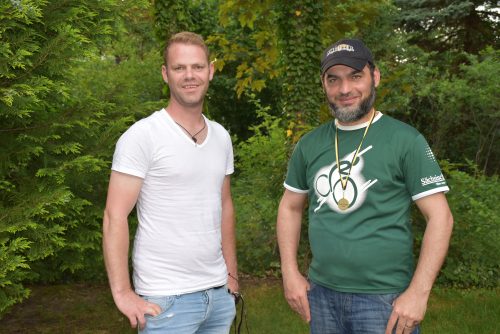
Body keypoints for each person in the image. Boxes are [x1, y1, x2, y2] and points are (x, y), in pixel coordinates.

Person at [277, 38, 454, 334]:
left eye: (355, 76)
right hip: (320, 296)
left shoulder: (405, 140)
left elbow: (441, 218)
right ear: (324, 84)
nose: (345, 89)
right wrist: (289, 272)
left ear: (375, 76)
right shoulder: (309, 144)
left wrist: (418, 294)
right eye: (334, 80)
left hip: (385, 300)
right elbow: (290, 207)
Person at [103, 31, 238, 334]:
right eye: (179, 68)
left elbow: (225, 207)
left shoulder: (221, 137)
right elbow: (114, 217)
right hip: (165, 300)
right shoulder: (142, 136)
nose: (190, 75)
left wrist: (232, 277)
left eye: (197, 67)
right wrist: (123, 293)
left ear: (211, 70)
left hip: (218, 296)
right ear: (166, 74)